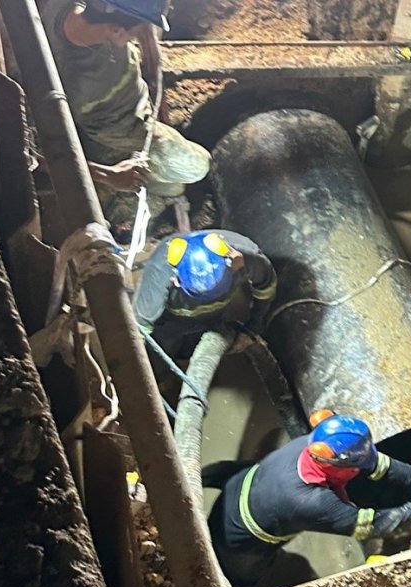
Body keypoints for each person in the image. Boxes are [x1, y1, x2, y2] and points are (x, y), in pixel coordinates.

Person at [208, 411, 411, 587]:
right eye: (358, 465)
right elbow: (373, 526)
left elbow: (382, 465)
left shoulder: (314, 444)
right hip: (237, 540)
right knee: (240, 579)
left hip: (239, 485)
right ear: (337, 466)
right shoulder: (311, 501)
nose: (366, 466)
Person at [42, 0, 210, 232]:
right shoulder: (57, 81)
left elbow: (139, 28)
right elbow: (40, 155)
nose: (138, 37)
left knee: (169, 182)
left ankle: (146, 191)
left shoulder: (65, 7)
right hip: (122, 130)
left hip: (128, 110)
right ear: (115, 30)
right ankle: (129, 189)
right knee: (198, 165)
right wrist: (109, 175)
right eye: (135, 33)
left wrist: (149, 41)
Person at [133, 229, 276, 357]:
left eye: (218, 286)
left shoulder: (248, 259)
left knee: (200, 335)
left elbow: (266, 288)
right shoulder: (159, 272)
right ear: (175, 279)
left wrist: (252, 330)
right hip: (173, 318)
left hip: (216, 315)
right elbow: (140, 327)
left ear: (234, 263)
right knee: (163, 344)